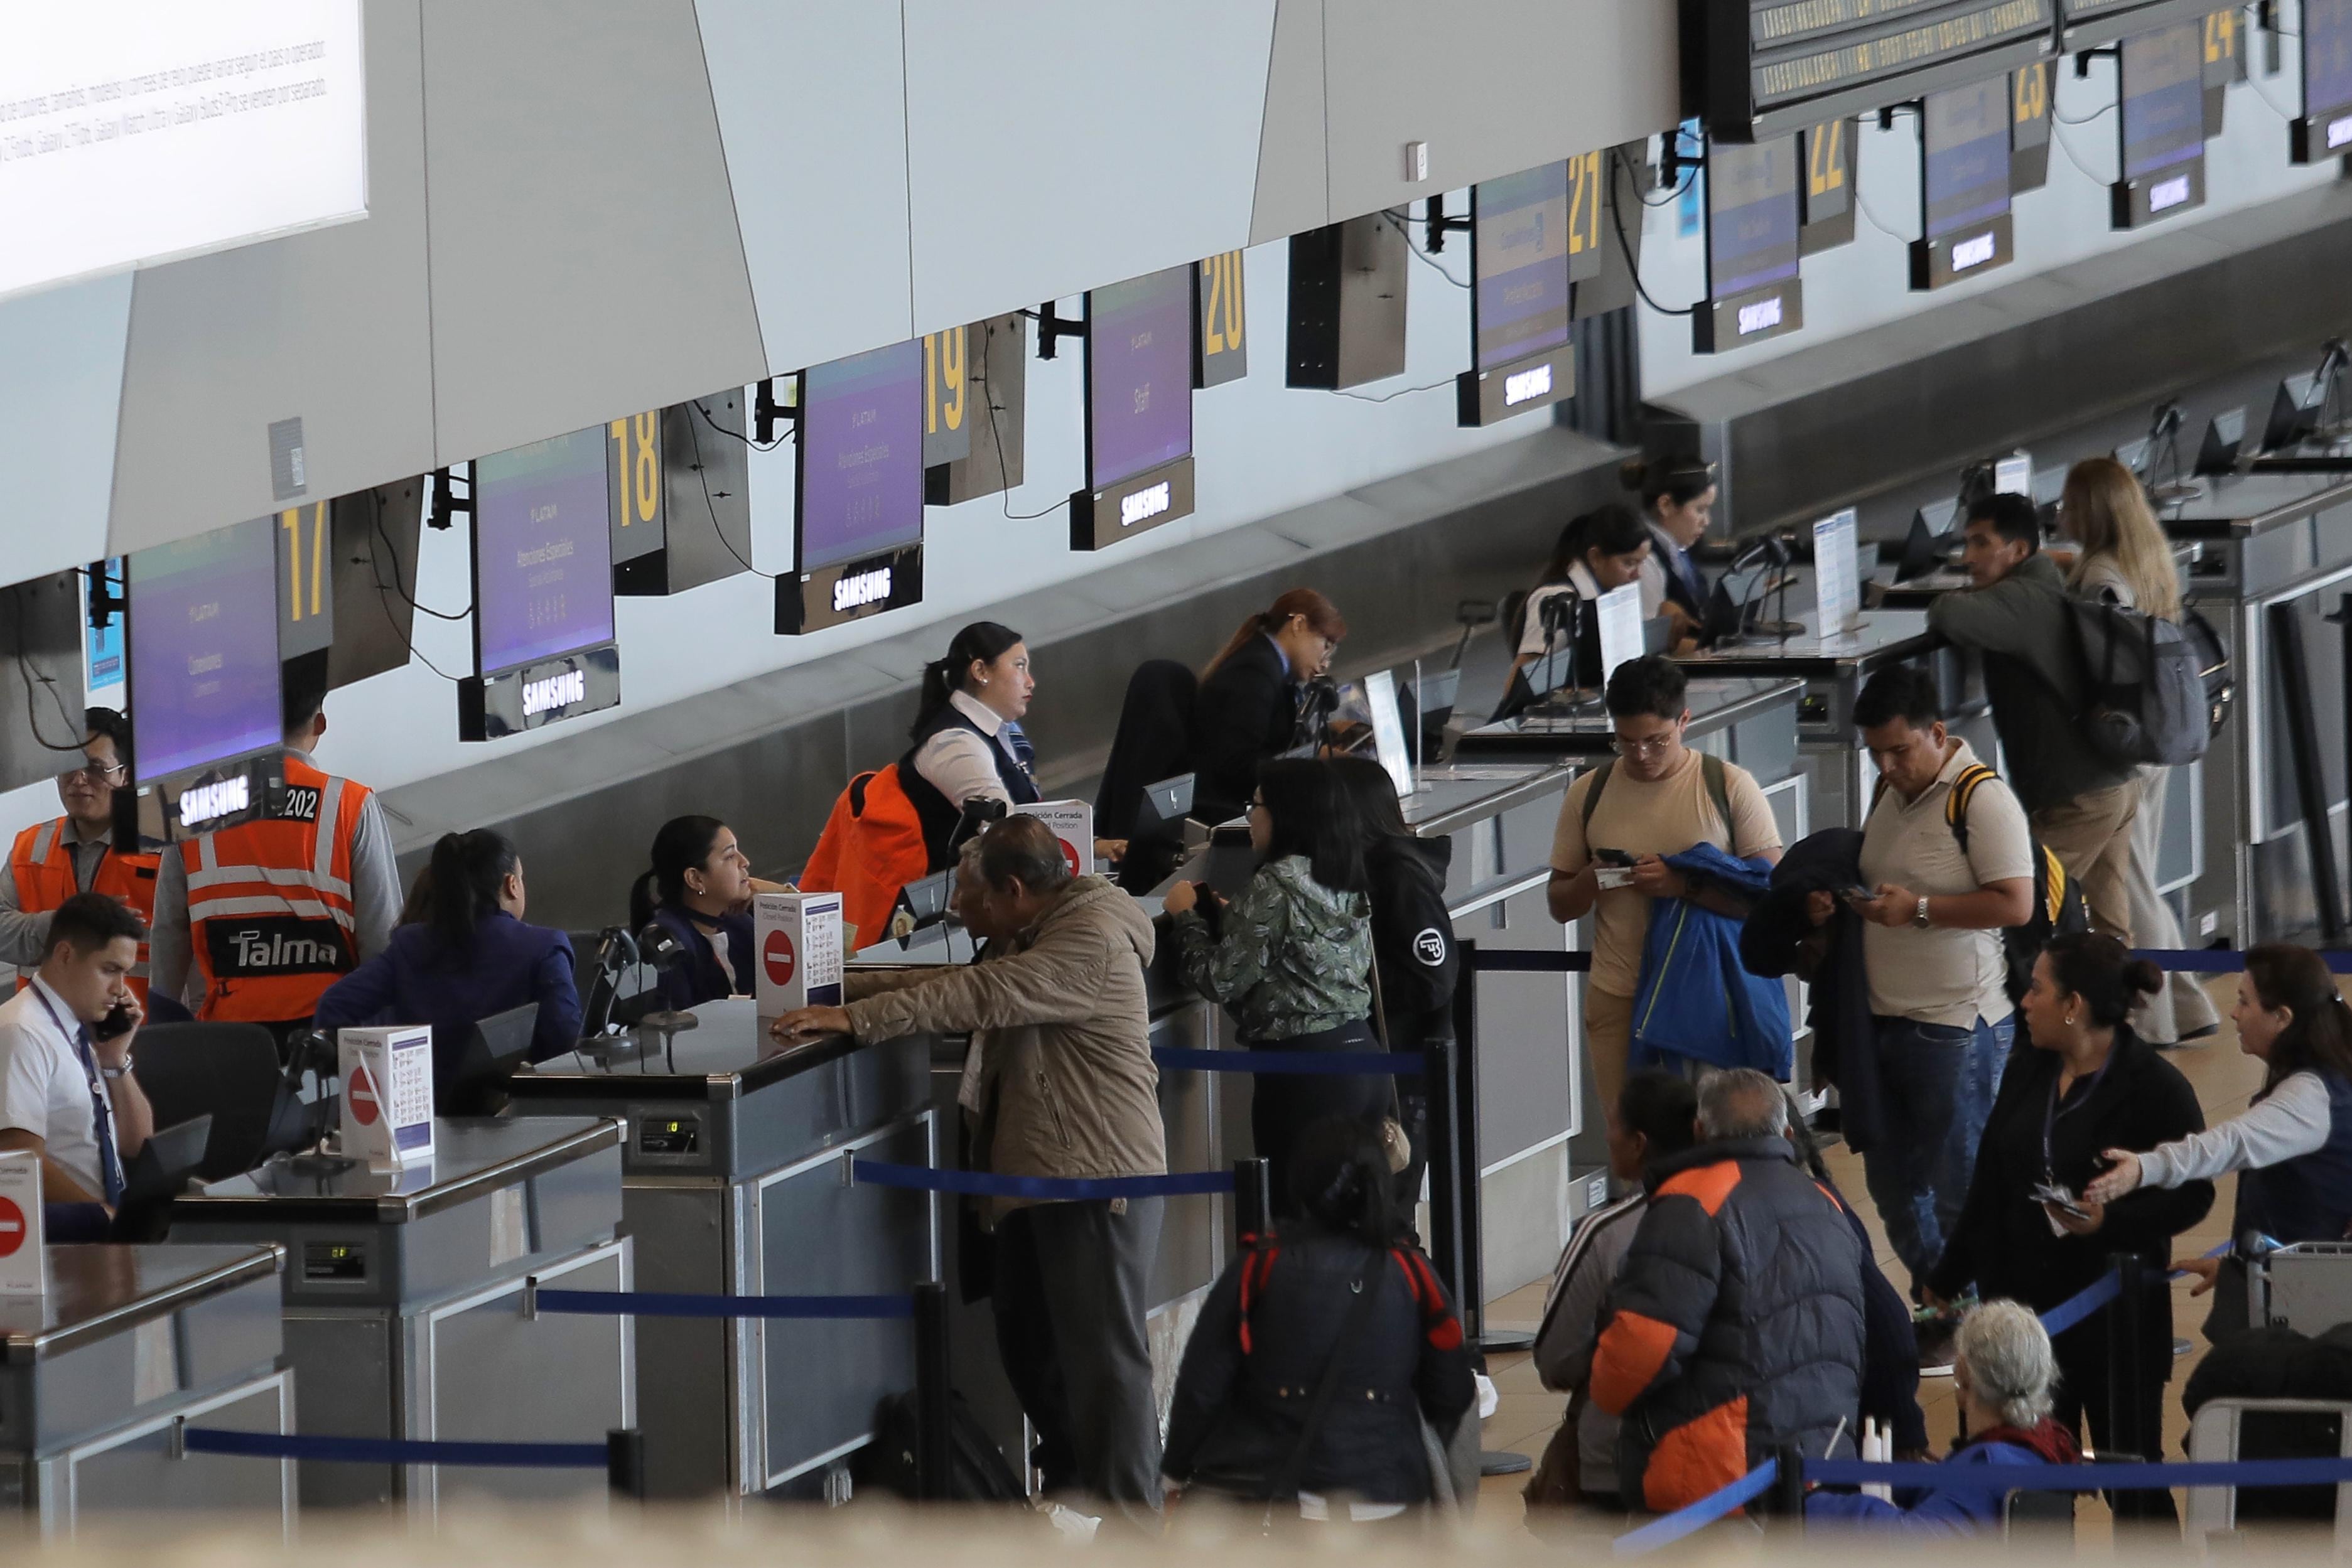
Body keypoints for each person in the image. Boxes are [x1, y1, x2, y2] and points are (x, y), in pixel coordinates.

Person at [769, 816, 1166, 1528]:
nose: (955, 908)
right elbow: (969, 977)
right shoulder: (1047, 922)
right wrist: (839, 985)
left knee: (1107, 1364)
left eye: (968, 894)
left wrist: (854, 1021)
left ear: (1014, 889)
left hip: (1095, 1177)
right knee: (1029, 1340)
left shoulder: (1088, 942)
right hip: (1045, 1173)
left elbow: (976, 996)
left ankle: (1135, 1523)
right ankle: (1079, 1491)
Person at [1925, 934, 2211, 1523]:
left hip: (2115, 1323)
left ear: (2074, 1005)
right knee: (2028, 1484)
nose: (2024, 1002)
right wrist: (1948, 1276)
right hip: (2027, 1322)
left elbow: (2195, 1194)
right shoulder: (2029, 1069)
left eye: (2036, 989)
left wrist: (2112, 1222)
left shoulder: (2156, 1088)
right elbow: (1991, 1182)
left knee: (2130, 1482)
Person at [1162, 1115, 1476, 1525]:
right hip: (1389, 1496)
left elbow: (1202, 1385)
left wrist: (1175, 1472)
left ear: (1302, 1183)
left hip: (1282, 1495)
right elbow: (1452, 1393)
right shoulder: (1413, 1273)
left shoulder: (1260, 1267)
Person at [1590, 1068, 1867, 1514]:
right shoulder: (1826, 1202)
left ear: (1701, 1131)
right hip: (1824, 1460)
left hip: (1717, 1478)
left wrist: (1603, 1386)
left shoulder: (1693, 1200)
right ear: (1788, 1132)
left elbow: (1641, 1346)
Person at [1844, 664, 2034, 1311]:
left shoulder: (1981, 798)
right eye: (1875, 752)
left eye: (1899, 749)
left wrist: (1918, 909)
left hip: (1958, 1026)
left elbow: (2015, 904)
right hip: (1884, 1021)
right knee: (1893, 1185)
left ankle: (1988, 1318)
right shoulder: (1885, 793)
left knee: (1961, 1187)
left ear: (1936, 731)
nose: (1887, 764)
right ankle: (1941, 1302)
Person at [1547, 657, 1784, 1117]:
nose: (1640, 756)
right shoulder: (1588, 794)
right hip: (1619, 994)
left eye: (1657, 741)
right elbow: (1560, 904)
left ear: (1685, 722)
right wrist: (1590, 880)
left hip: (1707, 994)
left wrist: (1683, 885)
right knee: (1633, 1139)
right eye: (1626, 742)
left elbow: (1772, 899)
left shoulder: (1728, 787)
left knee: (1712, 1133)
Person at [2086, 942, 2352, 1340]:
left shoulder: (2310, 1096)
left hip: (2307, 1313)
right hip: (2292, 1287)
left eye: (2245, 1002)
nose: (2233, 1011)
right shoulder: (2319, 1076)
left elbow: (2231, 1144)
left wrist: (2145, 1168)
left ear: (2282, 1018)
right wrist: (2238, 1270)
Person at [1165, 760, 1380, 1208]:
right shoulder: (1341, 871)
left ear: (1286, 813)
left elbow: (1216, 979)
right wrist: (1236, 919)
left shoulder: (1275, 885)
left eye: (1255, 805)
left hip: (1304, 1076)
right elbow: (1301, 951)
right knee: (1359, 1216)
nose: (1248, 817)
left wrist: (1186, 915)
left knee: (1298, 1220)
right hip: (1362, 1058)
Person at [1927, 493, 2140, 943]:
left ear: (2019, 551)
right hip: (2114, 784)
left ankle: (2033, 1012)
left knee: (2021, 912)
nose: (1969, 558)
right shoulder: (2046, 586)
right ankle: (2119, 1012)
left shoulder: (2022, 599)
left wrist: (1958, 593)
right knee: (2109, 934)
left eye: (1982, 544)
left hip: (2077, 799)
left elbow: (1948, 614)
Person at [149, 653, 401, 1030]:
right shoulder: (349, 805)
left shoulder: (195, 809)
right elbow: (383, 939)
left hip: (230, 1038)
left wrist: (163, 1031)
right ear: (320, 723)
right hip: (327, 1034)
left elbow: (169, 932)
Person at [2058, 457, 2220, 1047]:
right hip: (2152, 734)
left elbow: (2089, 645)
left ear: (2092, 509)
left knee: (2130, 883)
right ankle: (2187, 1002)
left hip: (2119, 741)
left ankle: (2156, 1018)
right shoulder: (2145, 558)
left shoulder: (2101, 574)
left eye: (2070, 503)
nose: (2061, 514)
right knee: (2137, 877)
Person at [1529, 1071, 1700, 1513]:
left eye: (1612, 1125)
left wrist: (1610, 1357)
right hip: (1724, 1452)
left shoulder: (1606, 1234)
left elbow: (1555, 1358)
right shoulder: (1741, 1211)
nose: (1607, 1137)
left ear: (1639, 1143)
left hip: (1617, 1453)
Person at [311, 830, 582, 1097]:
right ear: (512, 884)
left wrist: (378, 1072)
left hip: (424, 1113)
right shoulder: (544, 947)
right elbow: (563, 1038)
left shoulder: (412, 944)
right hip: (510, 1113)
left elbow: (335, 1006)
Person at [1806, 1301, 2081, 1535]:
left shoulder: (1989, 1467)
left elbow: (1908, 1540)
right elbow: (1944, 1487)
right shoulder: (2040, 1445)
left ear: (1963, 1374)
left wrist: (1816, 1505)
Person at [1329, 756, 1455, 1202]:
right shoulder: (1359, 869)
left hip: (1405, 1064)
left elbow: (1433, 980)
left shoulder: (1398, 875)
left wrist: (1349, 987)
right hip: (1381, 1060)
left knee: (1391, 1209)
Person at [0, 893, 153, 1207]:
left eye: (124, 972)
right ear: (66, 954)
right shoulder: (22, 1032)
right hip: (64, 1237)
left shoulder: (81, 1030)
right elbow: (22, 1164)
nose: (121, 989)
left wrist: (114, 1060)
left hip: (97, 1229)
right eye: (110, 970)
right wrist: (108, 1221)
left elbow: (137, 1145)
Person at [0, 708, 161, 1003]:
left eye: (96, 768)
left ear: (125, 774)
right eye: (68, 767)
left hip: (136, 1032)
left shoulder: (161, 847)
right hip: (46, 1034)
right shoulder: (29, 845)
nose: (79, 780)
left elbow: (182, 942)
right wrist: (70, 923)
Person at [1192, 588, 1348, 825]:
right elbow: (1238, 764)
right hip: (1231, 815)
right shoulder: (1254, 673)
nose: (1325, 663)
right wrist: (1310, 763)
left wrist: (1328, 738)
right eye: (1325, 646)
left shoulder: (1268, 666)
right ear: (1299, 624)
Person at [900, 621, 1044, 872]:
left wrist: (1094, 845)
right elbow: (1007, 831)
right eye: (1019, 667)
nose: (1030, 682)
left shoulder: (1004, 729)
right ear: (980, 671)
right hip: (964, 897)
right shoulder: (952, 742)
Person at [628, 815, 782, 1011]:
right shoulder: (667, 943)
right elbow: (675, 1027)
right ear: (695, 878)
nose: (745, 862)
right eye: (730, 856)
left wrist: (781, 896)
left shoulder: (740, 921)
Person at [1508, 505, 1652, 693]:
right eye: (1629, 563)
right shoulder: (1558, 599)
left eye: (1640, 563)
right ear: (1596, 558)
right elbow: (1520, 686)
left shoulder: (1608, 595)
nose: (1637, 575)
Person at [1625, 456, 1717, 644]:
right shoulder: (1645, 562)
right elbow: (1653, 643)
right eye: (1700, 510)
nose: (1707, 521)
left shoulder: (1680, 548)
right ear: (1666, 505)